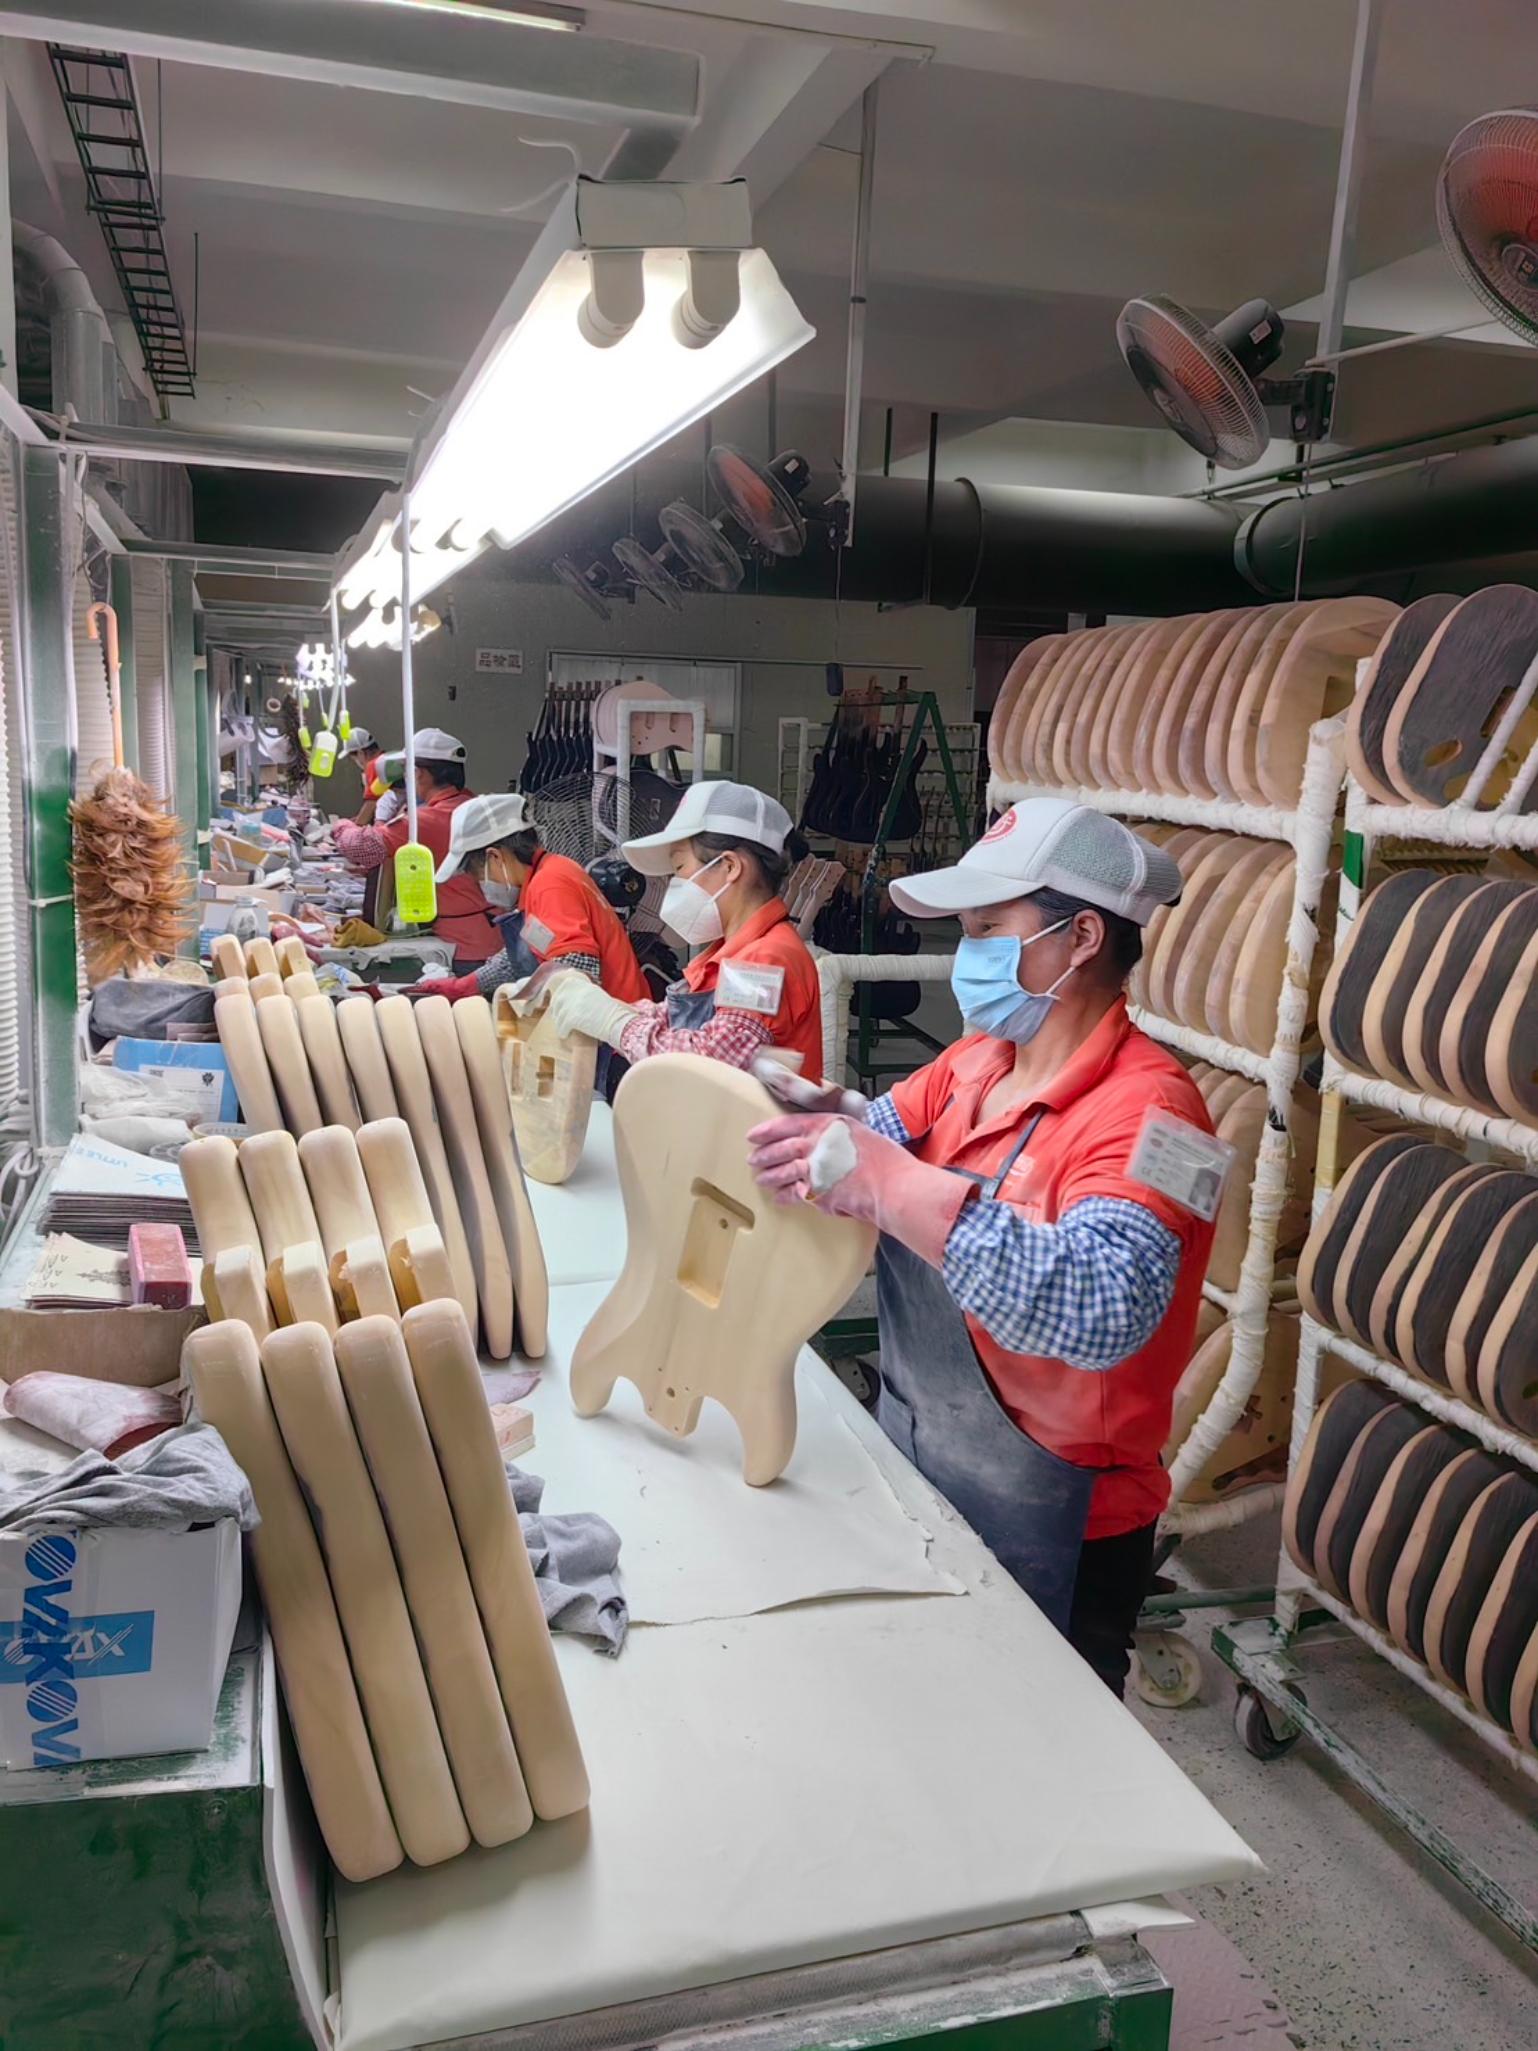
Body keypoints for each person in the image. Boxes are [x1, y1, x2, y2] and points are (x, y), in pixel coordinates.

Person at [746, 800, 1220, 1695]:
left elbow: (1102, 1308)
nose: (967, 954)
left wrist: (891, 1183)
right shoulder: (979, 1060)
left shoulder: (1163, 1118)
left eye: (987, 929)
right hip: (925, 1445)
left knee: (1038, 1734)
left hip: (1063, 1515)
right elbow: (885, 1132)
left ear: (1081, 937)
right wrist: (833, 1118)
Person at [543, 781, 823, 1082]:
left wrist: (615, 1022)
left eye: (678, 868)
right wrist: (596, 1005)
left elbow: (710, 1063)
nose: (672, 884)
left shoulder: (765, 959)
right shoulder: (728, 954)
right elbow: (672, 1021)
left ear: (730, 866)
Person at [421, 792, 649, 1006]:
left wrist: (524, 1000)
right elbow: (527, 951)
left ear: (495, 857)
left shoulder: (550, 884)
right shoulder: (542, 878)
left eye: (478, 876)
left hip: (615, 1020)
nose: (481, 886)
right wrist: (466, 985)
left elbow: (576, 968)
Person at [331, 728, 499, 968]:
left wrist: (341, 826)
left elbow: (361, 848)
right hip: (494, 936)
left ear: (419, 774)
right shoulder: (474, 807)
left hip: (463, 947)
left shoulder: (426, 821)